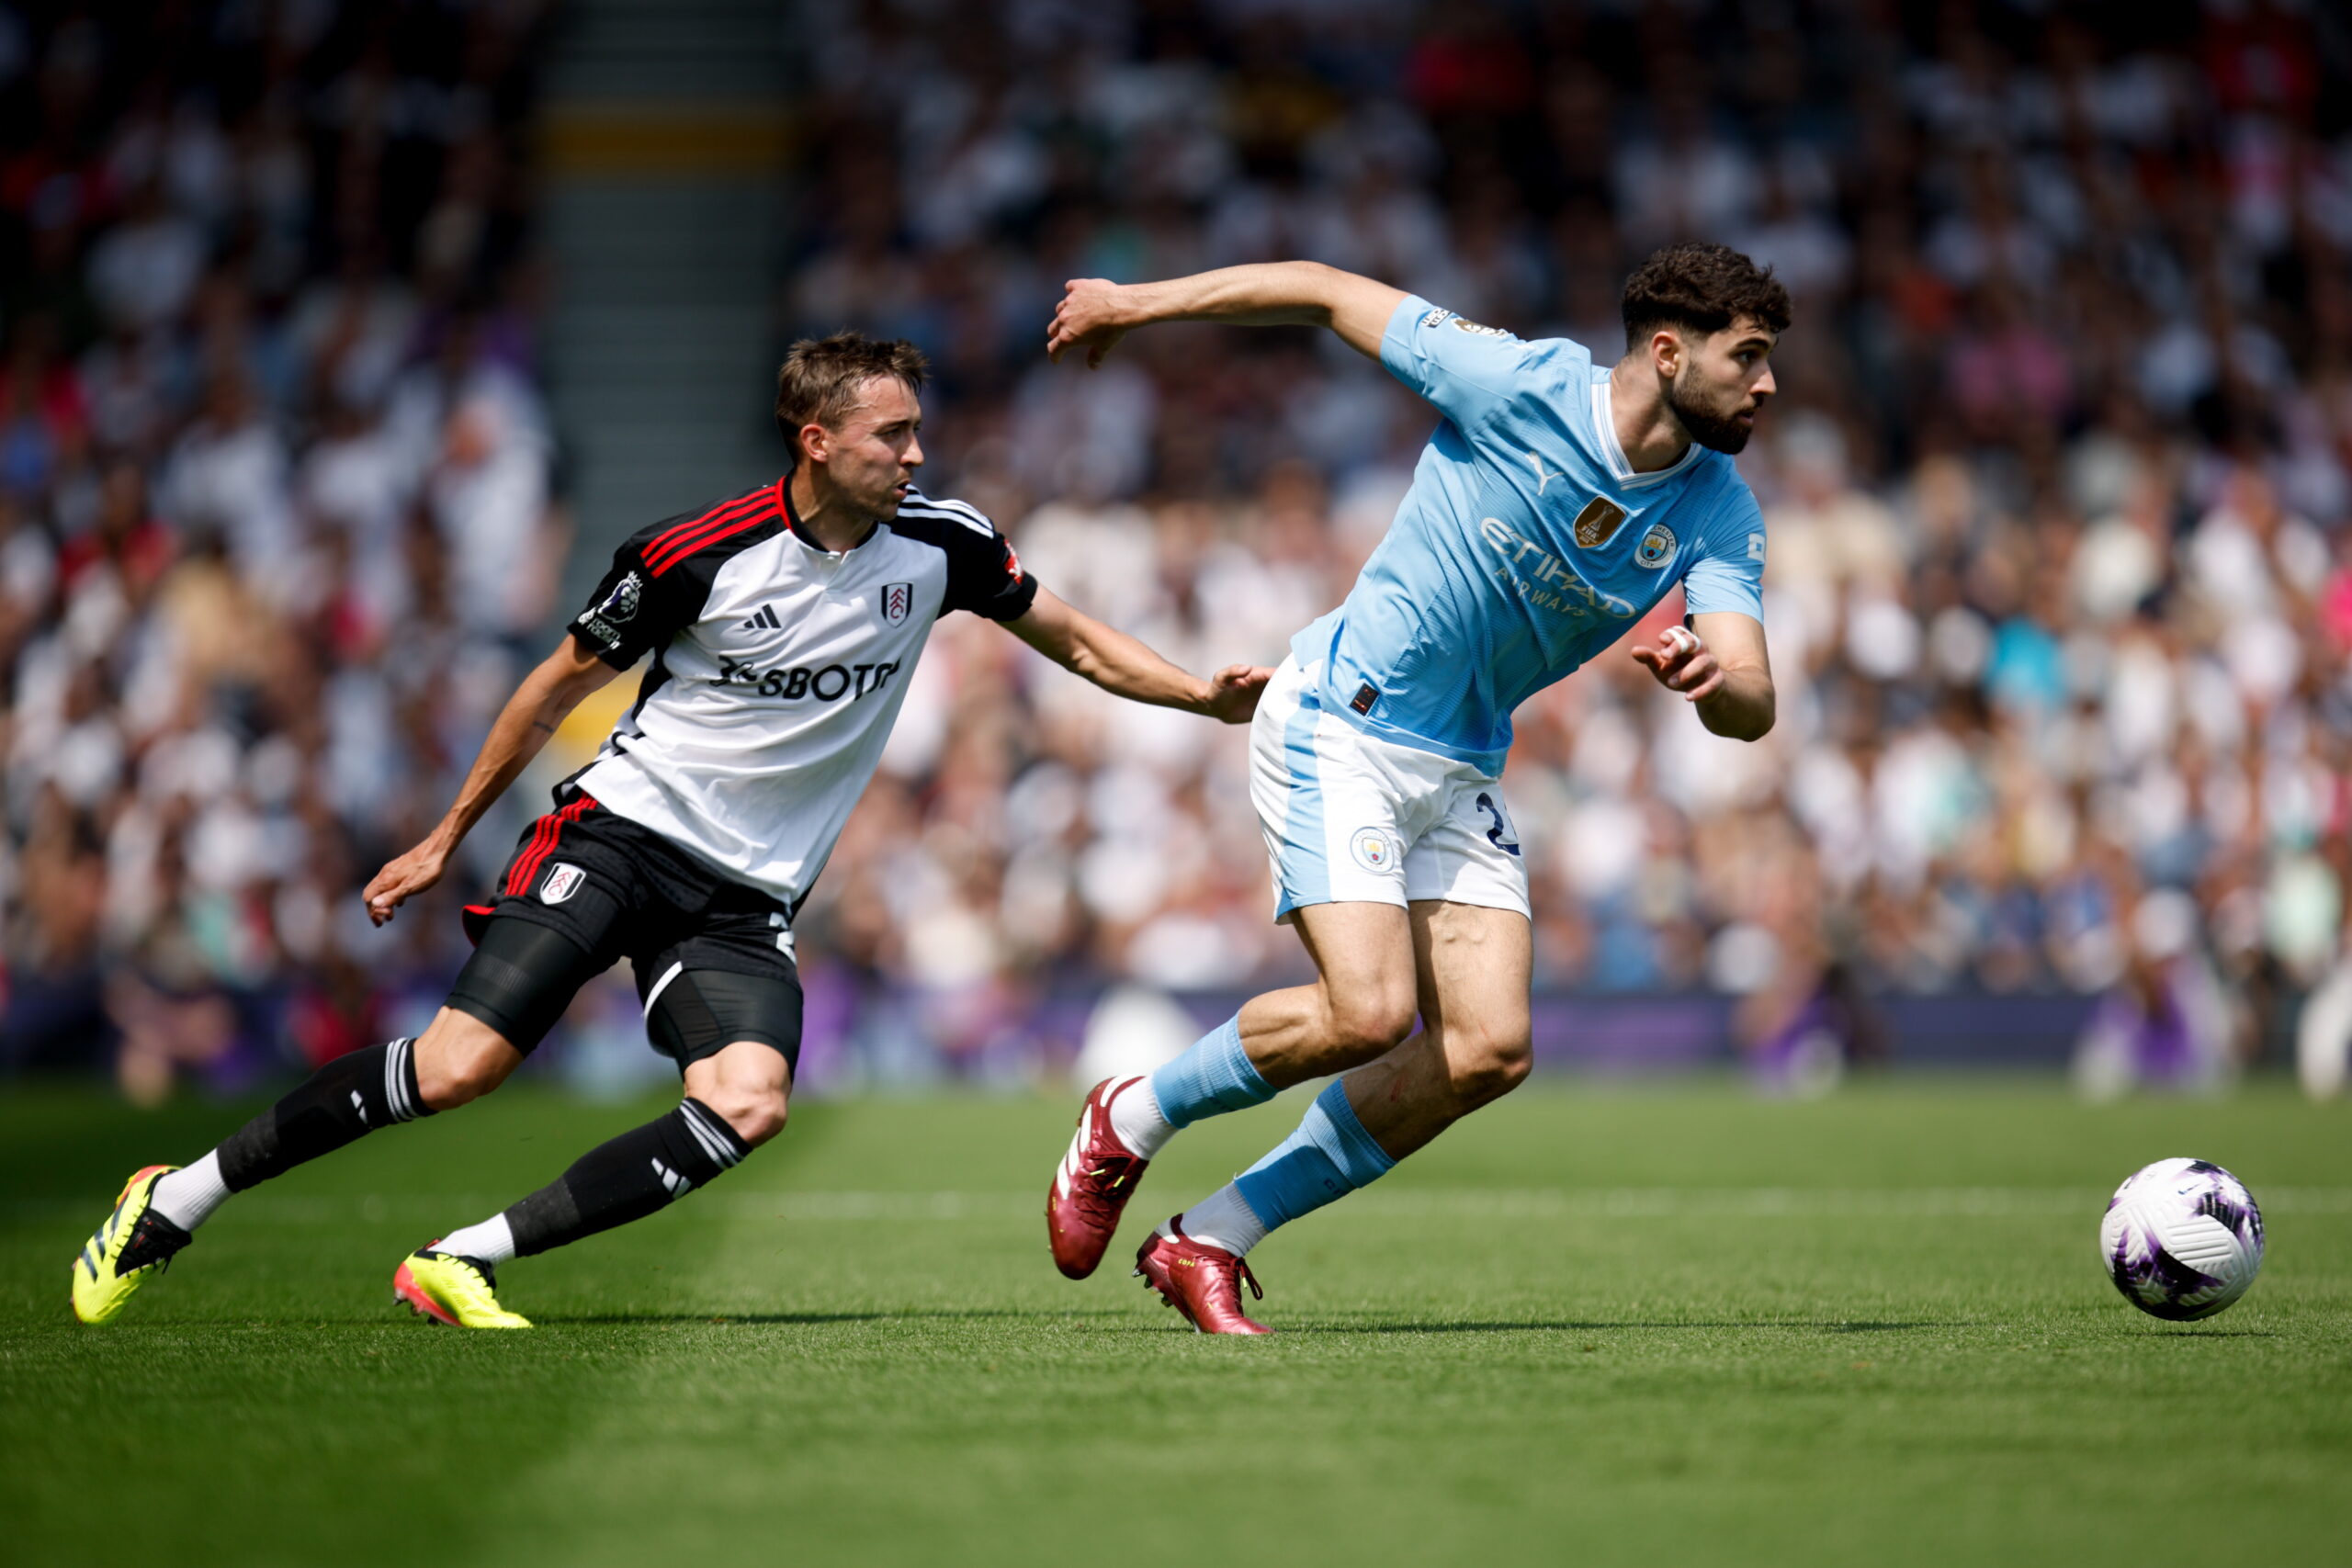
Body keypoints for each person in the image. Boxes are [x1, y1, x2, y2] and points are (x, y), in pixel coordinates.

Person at [73, 333, 1269, 1329]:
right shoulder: (699, 554)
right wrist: (447, 834)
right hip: (620, 836)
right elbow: (549, 684)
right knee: (456, 1069)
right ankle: (173, 1195)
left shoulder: (944, 544)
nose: (916, 452)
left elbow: (1078, 639)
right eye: (891, 434)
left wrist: (1197, 696)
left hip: (747, 894)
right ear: (817, 441)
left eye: (916, 430)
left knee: (750, 1101)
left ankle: (464, 1256)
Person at [1043, 243, 1785, 1332]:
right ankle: (1131, 1111)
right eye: (1749, 358)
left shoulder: (1720, 508)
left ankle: (1210, 1235)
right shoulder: (1516, 385)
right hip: (1342, 717)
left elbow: (1753, 698)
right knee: (1370, 1010)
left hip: (1459, 764)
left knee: (1488, 1050)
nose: (1767, 385)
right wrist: (1131, 303)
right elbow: (1322, 290)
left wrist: (1715, 681)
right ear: (1667, 352)